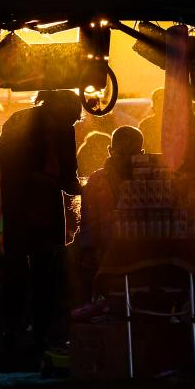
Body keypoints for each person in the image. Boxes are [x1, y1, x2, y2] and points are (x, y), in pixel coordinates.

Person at [0, 89, 81, 354]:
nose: (73, 122)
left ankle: (36, 333)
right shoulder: (21, 121)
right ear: (59, 108)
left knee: (42, 275)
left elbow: (69, 172)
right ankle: (14, 330)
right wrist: (51, 180)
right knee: (19, 275)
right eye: (72, 116)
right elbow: (9, 167)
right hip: (16, 211)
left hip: (44, 216)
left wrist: (73, 185)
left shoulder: (63, 129)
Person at [78, 126, 144, 299]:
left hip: (139, 254)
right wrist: (89, 250)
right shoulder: (97, 181)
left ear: (141, 153)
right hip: (105, 254)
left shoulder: (148, 180)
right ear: (110, 151)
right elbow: (88, 220)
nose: (126, 159)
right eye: (121, 153)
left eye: (132, 154)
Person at [139, 87, 165, 154]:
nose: (161, 106)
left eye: (162, 102)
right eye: (158, 102)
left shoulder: (145, 124)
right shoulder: (145, 124)